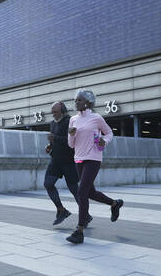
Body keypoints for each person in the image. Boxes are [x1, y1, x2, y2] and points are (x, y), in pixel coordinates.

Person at [66, 89, 123, 244]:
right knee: (89, 192)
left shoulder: (96, 118)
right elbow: (71, 145)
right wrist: (71, 134)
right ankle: (114, 203)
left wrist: (105, 140)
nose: (76, 102)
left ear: (88, 102)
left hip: (93, 158)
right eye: (75, 100)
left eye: (79, 100)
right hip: (78, 159)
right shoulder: (73, 120)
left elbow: (109, 133)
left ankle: (79, 230)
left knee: (82, 190)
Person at [44, 101, 83, 225]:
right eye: (52, 112)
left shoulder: (70, 121)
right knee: (48, 184)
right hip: (55, 160)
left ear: (63, 110)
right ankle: (61, 210)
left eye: (55, 112)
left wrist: (54, 138)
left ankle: (85, 215)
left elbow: (71, 141)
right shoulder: (52, 124)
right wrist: (50, 146)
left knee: (74, 189)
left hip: (69, 161)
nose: (53, 114)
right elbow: (53, 140)